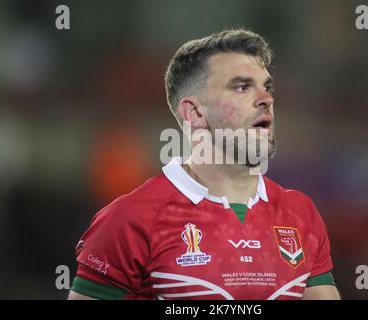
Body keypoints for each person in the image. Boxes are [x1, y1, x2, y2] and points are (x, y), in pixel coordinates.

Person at [68, 29, 340, 300]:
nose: (266, 99)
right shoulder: (130, 220)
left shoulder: (301, 214)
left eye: (267, 87)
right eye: (242, 87)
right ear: (194, 113)